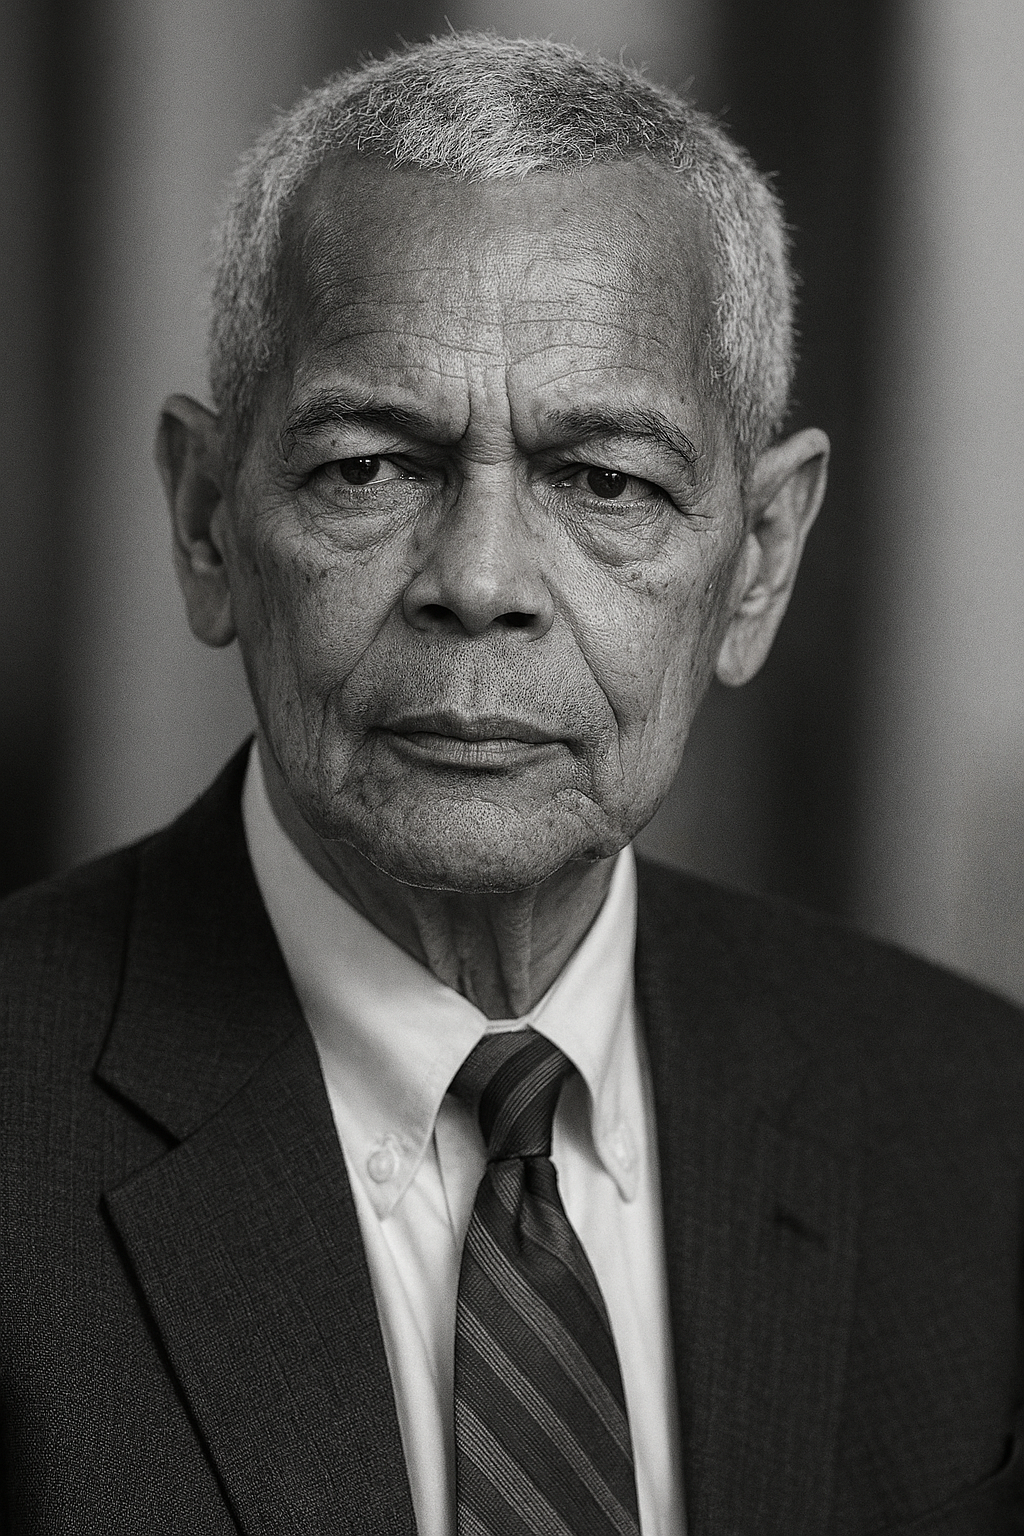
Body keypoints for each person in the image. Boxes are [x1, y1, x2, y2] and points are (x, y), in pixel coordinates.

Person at [1, 30, 1021, 1536]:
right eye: (370, 468)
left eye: (605, 479)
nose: (478, 583)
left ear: (760, 563)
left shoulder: (981, 1135)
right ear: (209, 519)